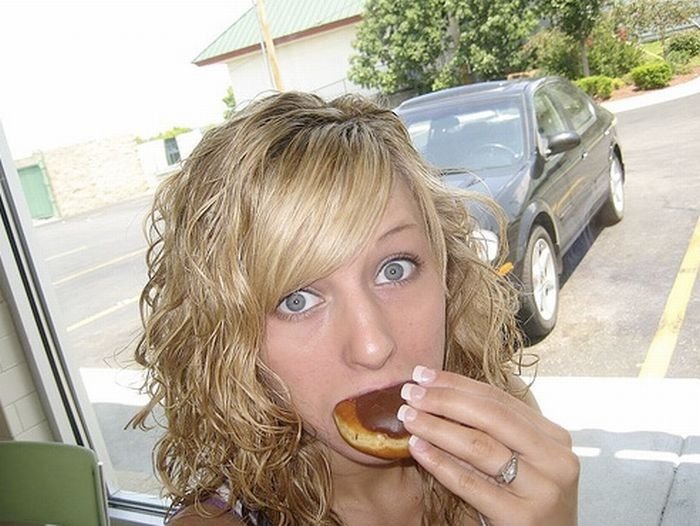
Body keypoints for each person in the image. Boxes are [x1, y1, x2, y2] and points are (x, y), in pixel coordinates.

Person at [131, 91, 579, 526]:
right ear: (228, 338)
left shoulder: (505, 436)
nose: (373, 346)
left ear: (447, 271)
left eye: (395, 270)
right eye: (297, 299)